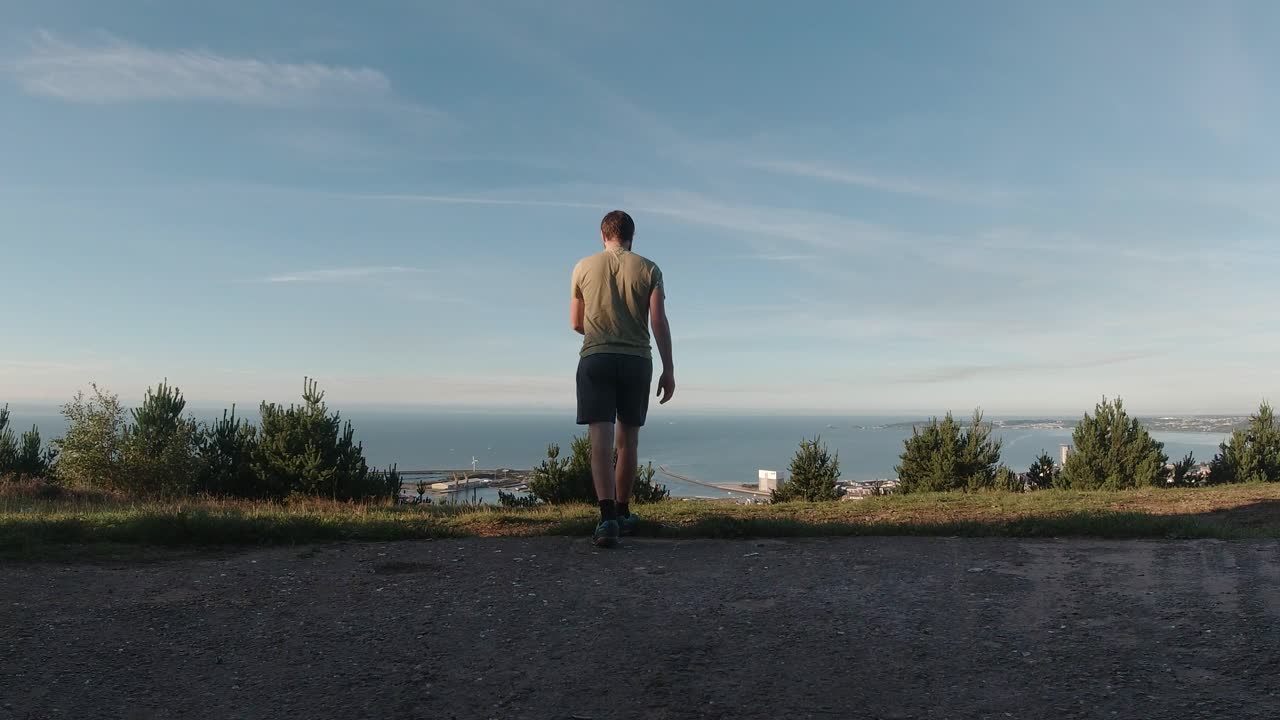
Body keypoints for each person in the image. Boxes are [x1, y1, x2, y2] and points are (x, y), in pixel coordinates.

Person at [570, 210, 675, 548]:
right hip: (636, 360)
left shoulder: (582, 267)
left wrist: (602, 334)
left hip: (596, 358)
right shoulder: (649, 269)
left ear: (603, 235)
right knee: (627, 441)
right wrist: (669, 369)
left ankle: (606, 521)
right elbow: (657, 321)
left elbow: (575, 322)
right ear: (632, 236)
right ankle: (624, 511)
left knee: (599, 441)